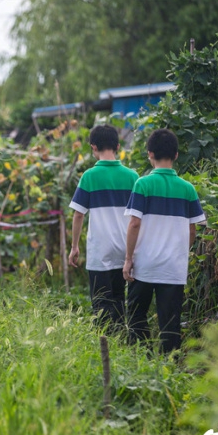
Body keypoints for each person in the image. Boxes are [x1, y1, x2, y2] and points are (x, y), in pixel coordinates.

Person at [122, 128, 205, 353]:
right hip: (173, 268)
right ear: (176, 155)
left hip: (144, 266)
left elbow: (134, 224)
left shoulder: (143, 184)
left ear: (150, 154)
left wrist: (128, 259)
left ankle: (142, 359)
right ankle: (170, 365)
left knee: (137, 315)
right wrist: (179, 252)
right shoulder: (188, 189)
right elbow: (192, 230)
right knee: (170, 321)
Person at [69, 125, 139, 328]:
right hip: (125, 250)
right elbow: (137, 218)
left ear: (93, 147)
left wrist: (74, 247)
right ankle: (121, 342)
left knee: (101, 305)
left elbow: (78, 214)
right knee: (119, 301)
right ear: (117, 146)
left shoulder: (89, 176)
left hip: (99, 251)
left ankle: (106, 346)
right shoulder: (132, 177)